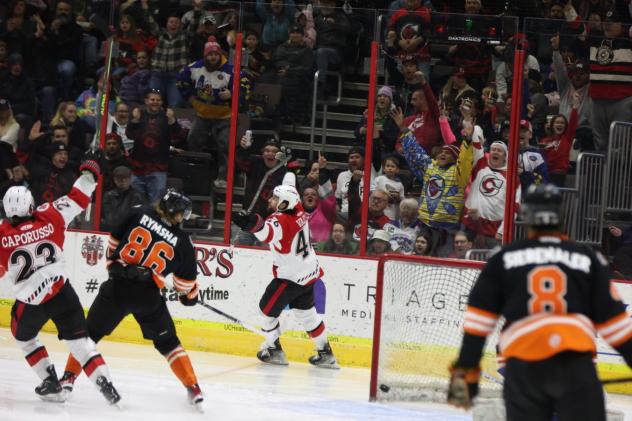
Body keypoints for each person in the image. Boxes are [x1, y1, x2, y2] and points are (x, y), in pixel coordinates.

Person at [447, 184, 632, 420]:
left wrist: (465, 372)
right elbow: (617, 328)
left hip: (524, 369)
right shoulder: (588, 259)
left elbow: (478, 325)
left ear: (526, 215)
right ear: (562, 215)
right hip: (574, 367)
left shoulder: (502, 258)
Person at [59, 188, 204, 409]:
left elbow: (113, 242)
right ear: (174, 212)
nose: (182, 218)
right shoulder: (183, 242)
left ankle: (68, 379)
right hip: (148, 297)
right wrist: (189, 297)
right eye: (181, 213)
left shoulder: (138, 213)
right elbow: (185, 286)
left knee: (88, 336)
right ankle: (193, 388)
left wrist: (116, 268)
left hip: (117, 289)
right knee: (169, 343)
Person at [0, 158, 121, 405]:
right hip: (61, 291)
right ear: (31, 204)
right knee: (80, 343)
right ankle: (106, 384)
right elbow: (78, 196)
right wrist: (89, 172)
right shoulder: (49, 214)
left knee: (23, 336)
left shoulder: (1, 235)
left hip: (31, 301)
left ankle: (51, 383)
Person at [231, 184, 338, 369]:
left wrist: (251, 222)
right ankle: (326, 353)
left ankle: (275, 351)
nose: (271, 200)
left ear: (284, 204)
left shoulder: (280, 220)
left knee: (266, 311)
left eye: (275, 198)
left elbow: (266, 232)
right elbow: (289, 194)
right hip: (308, 274)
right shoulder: (299, 210)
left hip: (290, 278)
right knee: (308, 315)